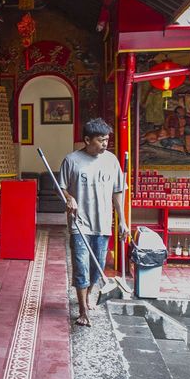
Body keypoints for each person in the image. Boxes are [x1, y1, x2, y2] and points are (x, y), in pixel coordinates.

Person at [59, 118, 128, 327]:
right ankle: (82, 310)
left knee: (97, 268)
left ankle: (88, 295)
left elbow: (118, 192)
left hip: (103, 223)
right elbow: (61, 187)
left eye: (107, 139)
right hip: (79, 224)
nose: (105, 144)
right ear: (87, 140)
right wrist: (68, 197)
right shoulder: (71, 160)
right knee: (81, 267)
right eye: (101, 140)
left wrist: (122, 221)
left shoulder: (112, 160)